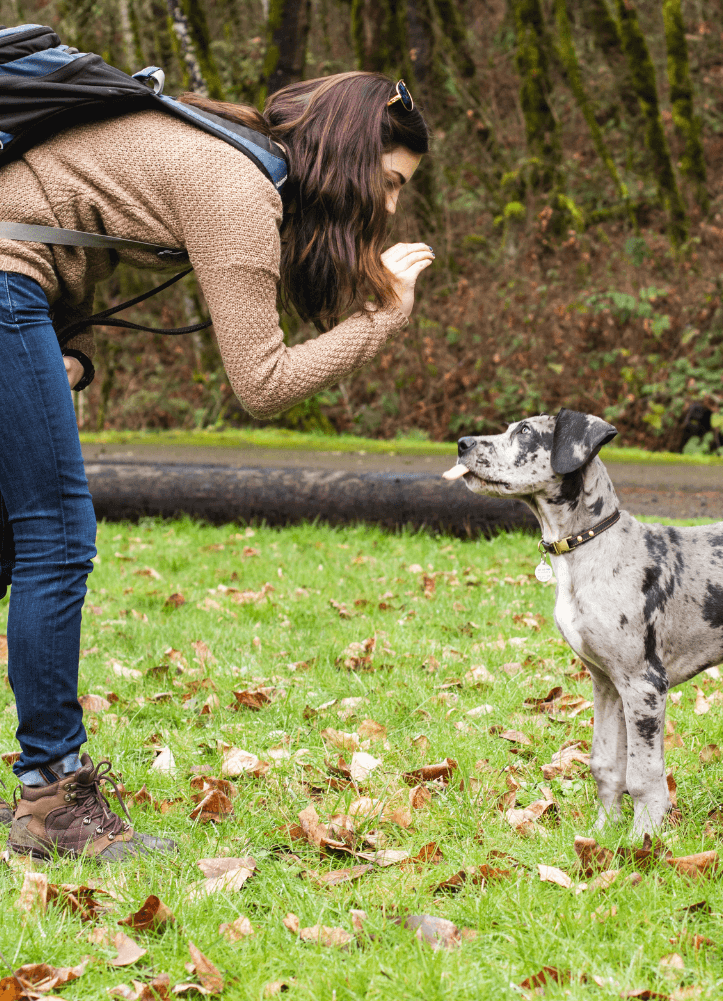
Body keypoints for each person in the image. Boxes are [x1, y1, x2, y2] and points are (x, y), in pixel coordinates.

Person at [0, 71, 433, 860]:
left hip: (16, 285)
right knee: (57, 539)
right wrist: (383, 319)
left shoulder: (224, 155)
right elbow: (261, 385)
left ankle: (45, 793)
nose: (392, 205)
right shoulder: (236, 184)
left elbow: (56, 210)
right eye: (392, 182)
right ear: (349, 155)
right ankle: (52, 798)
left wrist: (73, 359)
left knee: (7, 546)